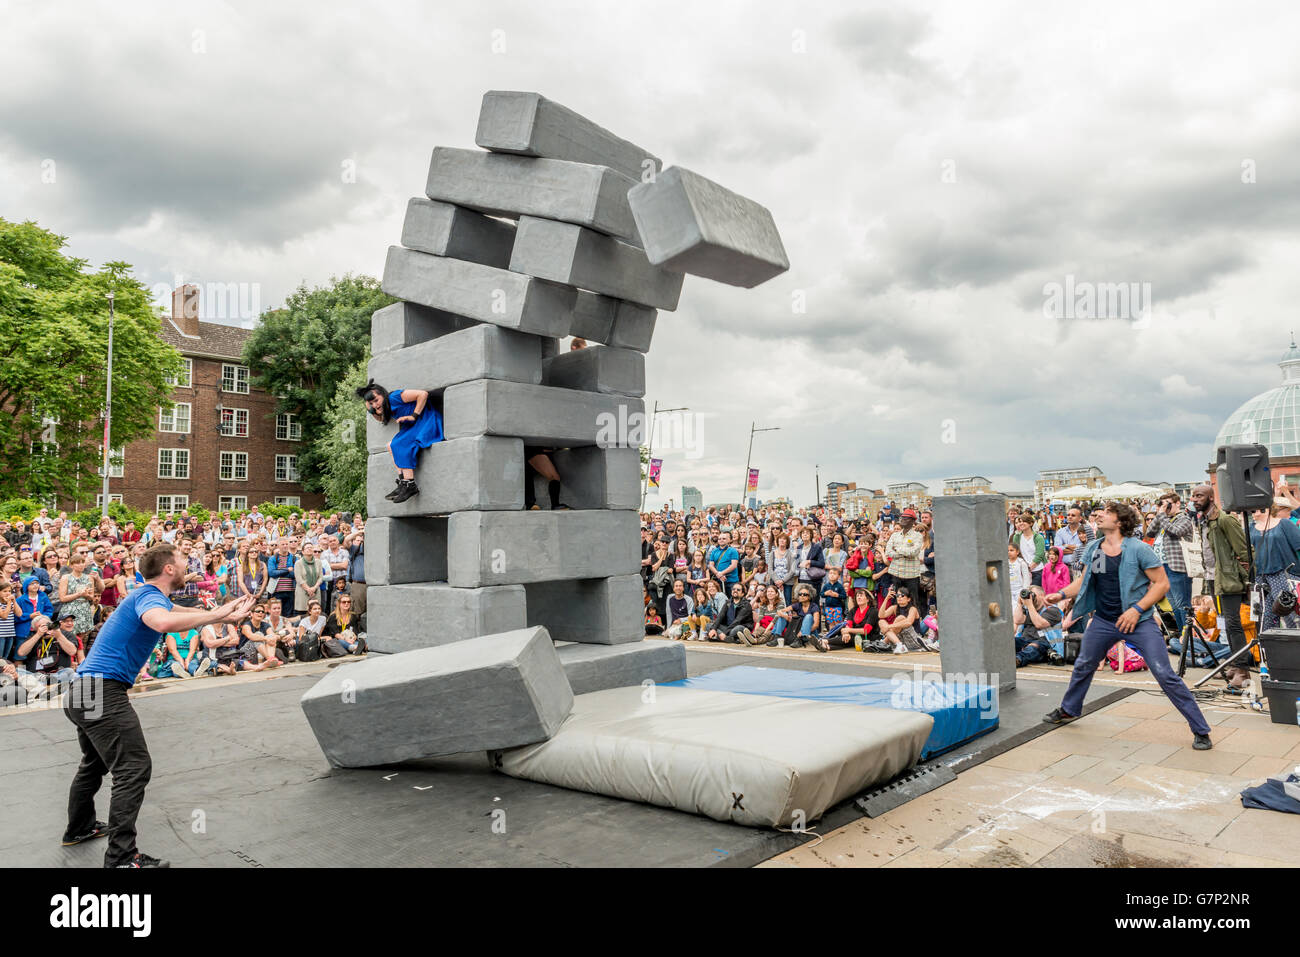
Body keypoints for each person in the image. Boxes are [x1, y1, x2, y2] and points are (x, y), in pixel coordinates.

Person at [63, 544, 256, 866]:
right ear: (168, 569)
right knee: (133, 768)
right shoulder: (149, 599)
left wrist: (225, 612)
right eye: (182, 561)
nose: (186, 566)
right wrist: (219, 613)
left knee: (94, 765)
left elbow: (178, 614)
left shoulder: (147, 595)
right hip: (101, 691)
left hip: (83, 691)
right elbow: (163, 622)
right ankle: (122, 858)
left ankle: (79, 827)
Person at [1043, 502, 1213, 750]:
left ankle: (1201, 729)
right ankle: (1069, 709)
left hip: (1139, 622)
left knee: (1164, 673)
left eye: (1107, 513)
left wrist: (1137, 610)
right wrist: (1060, 594)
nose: (1100, 515)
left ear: (1120, 521)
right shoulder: (1096, 549)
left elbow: (1161, 584)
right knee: (1084, 664)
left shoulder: (1139, 549)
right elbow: (1084, 580)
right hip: (1103, 620)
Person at [1190, 484, 1252, 691]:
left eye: (1199, 496)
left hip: (1229, 579)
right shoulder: (1204, 520)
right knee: (1225, 623)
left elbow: (1245, 551)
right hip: (1213, 578)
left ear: (1210, 497)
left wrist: (1242, 578)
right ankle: (1234, 664)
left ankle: (1243, 671)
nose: (1194, 499)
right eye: (1193, 496)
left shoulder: (1225, 519)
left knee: (1234, 624)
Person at [358, 379, 444, 503]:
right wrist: (371, 410)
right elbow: (381, 419)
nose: (375, 405)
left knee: (399, 444)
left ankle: (410, 485)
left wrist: (413, 415)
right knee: (390, 445)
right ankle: (403, 483)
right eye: (371, 403)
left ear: (383, 394)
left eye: (376, 400)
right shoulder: (385, 407)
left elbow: (423, 394)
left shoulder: (394, 397)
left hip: (425, 420)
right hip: (413, 427)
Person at [1148, 491, 1194, 640]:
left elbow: (1175, 532)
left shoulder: (1184, 519)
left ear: (1178, 503)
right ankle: (1182, 636)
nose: (1166, 507)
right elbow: (1149, 532)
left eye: (1169, 504)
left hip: (1177, 567)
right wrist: (1160, 513)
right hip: (1162, 567)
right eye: (1163, 504)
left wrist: (1162, 516)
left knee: (1182, 604)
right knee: (1174, 605)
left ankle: (1187, 637)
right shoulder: (1163, 519)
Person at [1250, 497, 1300, 635]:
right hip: (1261, 577)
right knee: (1263, 616)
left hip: (1283, 574)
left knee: (1291, 616)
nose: (1253, 513)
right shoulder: (1251, 528)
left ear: (1265, 508)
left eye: (1255, 510)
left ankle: (1295, 650)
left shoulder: (1284, 524)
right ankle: (1267, 651)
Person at [1013, 585, 1064, 667]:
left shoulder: (1052, 610)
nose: (1031, 597)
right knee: (1009, 642)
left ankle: (1017, 659)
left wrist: (1029, 605)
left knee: (1033, 647)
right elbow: (1017, 620)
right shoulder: (1027, 610)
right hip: (1025, 641)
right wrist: (1019, 603)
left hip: (1045, 645)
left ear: (1042, 596)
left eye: (1033, 595)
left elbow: (1039, 624)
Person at [884, 509, 925, 608]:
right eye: (902, 517)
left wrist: (897, 549)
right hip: (896, 573)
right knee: (897, 601)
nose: (902, 519)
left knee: (913, 601)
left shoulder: (918, 536)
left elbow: (913, 552)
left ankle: (913, 621)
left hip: (911, 575)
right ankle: (898, 621)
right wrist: (903, 553)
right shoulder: (895, 535)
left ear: (912, 521)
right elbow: (888, 551)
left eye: (905, 518)